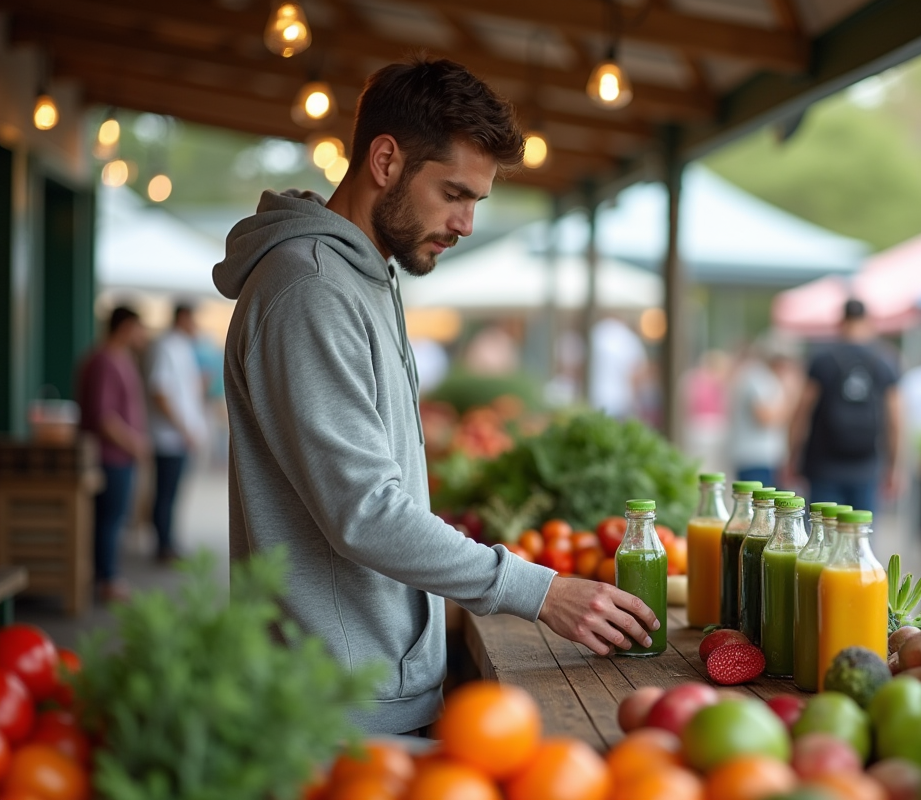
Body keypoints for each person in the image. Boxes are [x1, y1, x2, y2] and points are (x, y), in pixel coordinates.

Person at [213, 58, 658, 736]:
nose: (467, 223)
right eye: (455, 193)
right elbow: (364, 511)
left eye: (477, 200)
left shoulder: (364, 275)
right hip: (332, 707)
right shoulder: (308, 291)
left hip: (369, 685)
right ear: (385, 161)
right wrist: (541, 590)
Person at [788, 299, 900, 512]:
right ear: (867, 321)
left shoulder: (823, 360)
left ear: (841, 322)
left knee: (823, 537)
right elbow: (895, 421)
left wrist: (792, 457)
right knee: (860, 536)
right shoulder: (884, 361)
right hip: (867, 467)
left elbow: (801, 413)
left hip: (824, 467)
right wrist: (894, 468)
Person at [76, 306, 148, 602]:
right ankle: (106, 579)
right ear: (126, 326)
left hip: (122, 456)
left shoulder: (122, 358)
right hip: (110, 456)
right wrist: (135, 443)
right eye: (139, 328)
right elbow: (105, 417)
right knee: (109, 519)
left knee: (115, 518)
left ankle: (107, 574)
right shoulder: (105, 360)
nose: (142, 335)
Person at [147, 304, 208, 563]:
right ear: (183, 317)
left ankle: (169, 541)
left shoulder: (182, 346)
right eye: (193, 319)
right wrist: (183, 428)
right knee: (166, 492)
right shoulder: (165, 346)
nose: (196, 325)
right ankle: (163, 546)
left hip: (181, 436)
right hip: (170, 437)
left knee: (173, 492)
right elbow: (160, 392)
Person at [730, 338, 795, 487]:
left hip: (764, 459)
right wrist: (790, 397)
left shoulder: (763, 377)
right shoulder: (757, 377)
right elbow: (765, 417)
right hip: (755, 458)